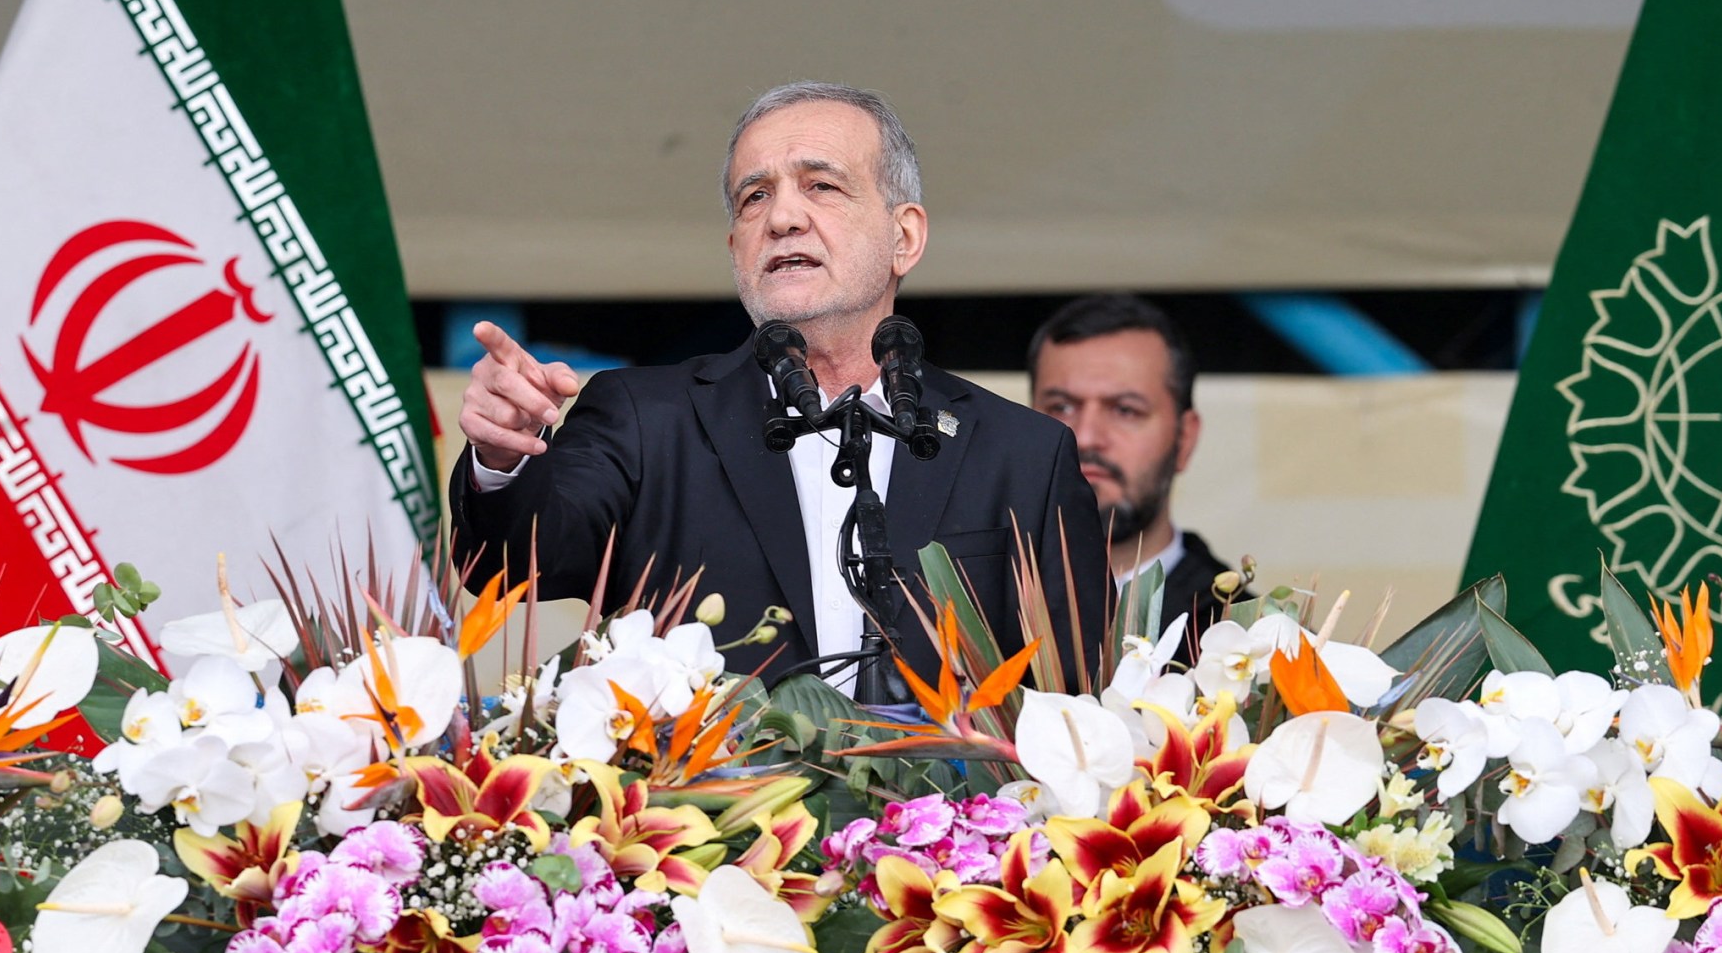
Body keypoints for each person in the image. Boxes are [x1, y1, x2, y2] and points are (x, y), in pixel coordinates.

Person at [451, 81, 1111, 687]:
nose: (783, 218)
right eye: (755, 197)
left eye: (821, 186)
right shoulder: (648, 420)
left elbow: (1080, 697)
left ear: (904, 236)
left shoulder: (1023, 455)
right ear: (735, 248)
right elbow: (512, 566)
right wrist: (505, 459)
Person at [1027, 293, 1239, 643]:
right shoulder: (963, 616)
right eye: (1061, 407)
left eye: (1125, 410)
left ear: (1184, 438)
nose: (1085, 437)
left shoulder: (1254, 644)